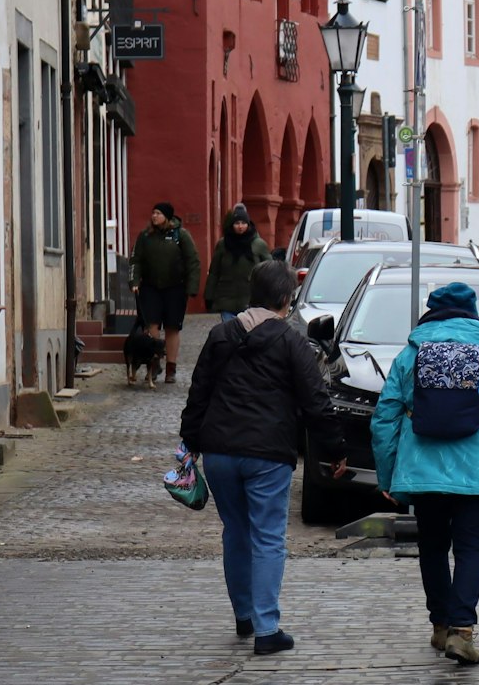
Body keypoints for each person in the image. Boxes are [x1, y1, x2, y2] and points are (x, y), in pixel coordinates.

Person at [179, 260, 348, 656]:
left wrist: (190, 443)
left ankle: (244, 615)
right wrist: (335, 449)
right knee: (268, 536)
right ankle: (267, 628)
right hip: (268, 454)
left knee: (236, 532)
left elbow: (198, 392)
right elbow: (316, 401)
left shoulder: (221, 335)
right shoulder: (291, 341)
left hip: (220, 453)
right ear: (286, 298)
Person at [371, 282, 479, 667]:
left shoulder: (410, 356)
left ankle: (440, 625)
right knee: (471, 549)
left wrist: (387, 476)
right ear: (473, 314)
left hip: (424, 472)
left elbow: (384, 419)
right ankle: (461, 631)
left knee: (432, 547)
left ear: (431, 313)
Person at [132, 202, 201, 383]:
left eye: (159, 213)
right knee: (151, 326)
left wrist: (192, 287)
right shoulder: (145, 236)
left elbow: (192, 261)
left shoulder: (181, 235)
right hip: (150, 287)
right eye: (153, 213)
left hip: (175, 288)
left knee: (172, 327)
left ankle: (171, 367)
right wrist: (134, 281)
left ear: (167, 217)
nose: (154, 216)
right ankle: (154, 363)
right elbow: (135, 260)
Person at [204, 204, 272, 321]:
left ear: (248, 224)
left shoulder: (258, 244)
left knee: (248, 330)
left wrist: (269, 294)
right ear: (232, 225)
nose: (240, 226)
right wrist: (209, 296)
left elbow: (269, 270)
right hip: (226, 299)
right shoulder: (223, 244)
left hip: (251, 299)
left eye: (243, 223)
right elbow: (214, 272)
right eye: (237, 223)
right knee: (230, 330)